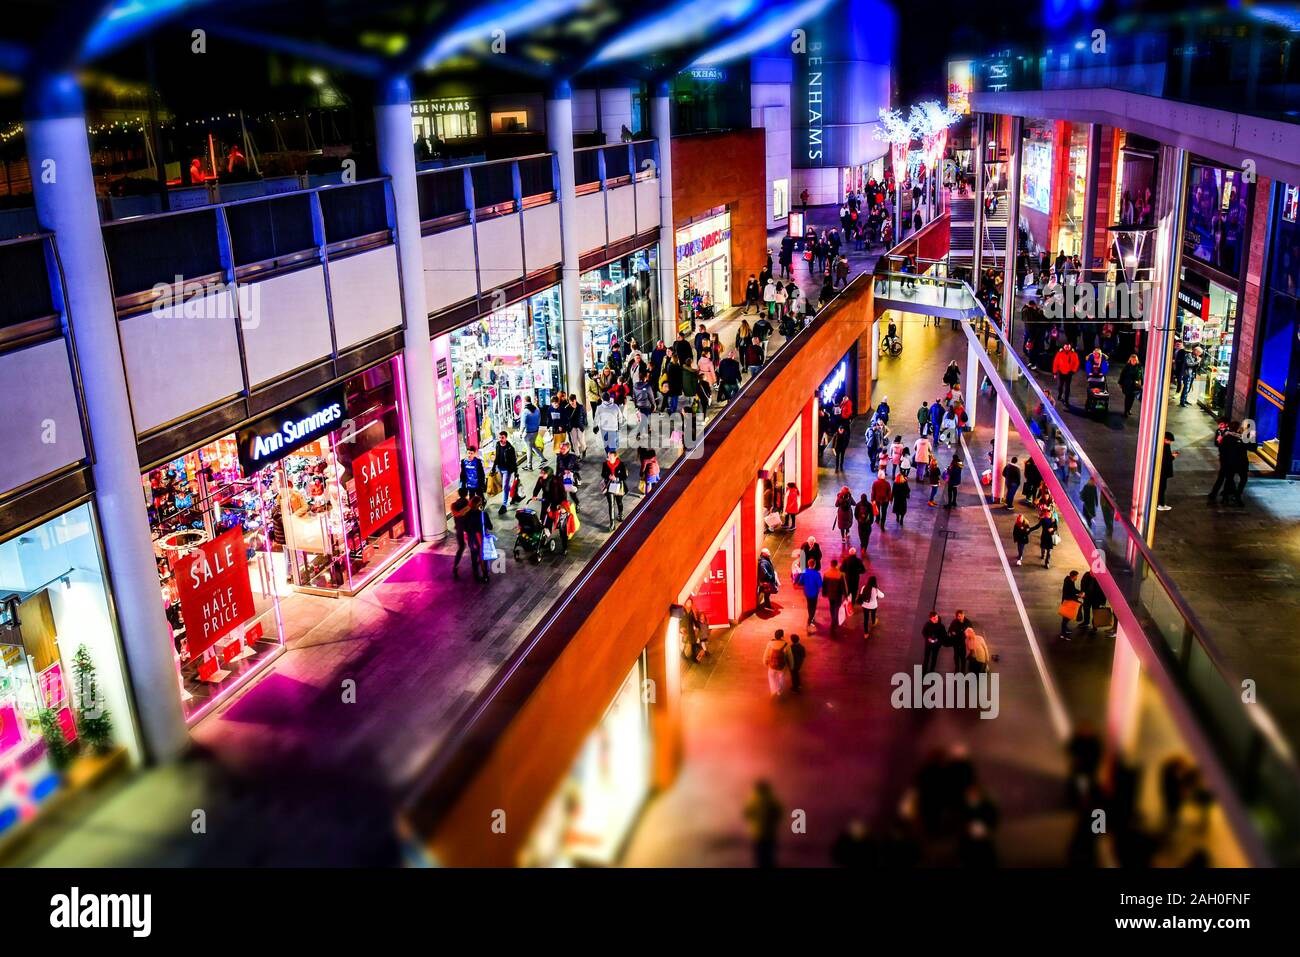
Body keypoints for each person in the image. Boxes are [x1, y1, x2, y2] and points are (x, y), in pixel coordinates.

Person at [744, 779, 783, 867]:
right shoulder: (772, 800)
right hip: (770, 833)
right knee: (769, 855)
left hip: (757, 833)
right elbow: (779, 813)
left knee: (759, 857)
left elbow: (747, 814)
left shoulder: (753, 801)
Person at [491, 432, 521, 515]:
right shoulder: (497, 445)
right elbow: (497, 457)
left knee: (504, 486)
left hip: (507, 470)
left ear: (506, 438)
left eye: (502, 437)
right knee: (506, 485)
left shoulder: (510, 448)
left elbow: (513, 461)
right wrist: (494, 467)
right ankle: (514, 494)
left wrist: (516, 472)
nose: (500, 439)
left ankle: (504, 505)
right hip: (500, 468)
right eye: (499, 437)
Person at [600, 450, 628, 527]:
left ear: (615, 457)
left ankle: (620, 513)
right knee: (611, 504)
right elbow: (603, 474)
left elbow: (625, 476)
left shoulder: (621, 464)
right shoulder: (605, 464)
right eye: (608, 456)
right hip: (609, 486)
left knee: (619, 502)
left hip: (619, 486)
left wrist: (616, 478)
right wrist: (608, 476)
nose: (609, 458)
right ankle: (612, 523)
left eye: (610, 457)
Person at [822, 559, 847, 637]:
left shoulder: (826, 573)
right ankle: (833, 622)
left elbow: (824, 585)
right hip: (838, 595)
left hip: (830, 594)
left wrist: (824, 593)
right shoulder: (840, 574)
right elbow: (843, 586)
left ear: (830, 564)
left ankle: (833, 618)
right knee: (837, 607)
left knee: (832, 606)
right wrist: (845, 595)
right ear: (836, 565)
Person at [1157, 431, 1178, 511]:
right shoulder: (1165, 446)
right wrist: (1173, 456)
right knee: (1162, 488)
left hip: (1161, 471)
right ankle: (1161, 504)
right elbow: (1166, 459)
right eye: (1169, 440)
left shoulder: (1163, 445)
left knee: (1161, 488)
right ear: (1165, 439)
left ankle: (1160, 503)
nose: (1170, 442)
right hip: (1163, 471)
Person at [801, 557, 823, 629]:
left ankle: (810, 616)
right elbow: (820, 584)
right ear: (814, 565)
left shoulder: (804, 571)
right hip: (814, 592)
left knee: (809, 604)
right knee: (813, 605)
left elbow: (801, 581)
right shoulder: (817, 574)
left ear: (808, 564)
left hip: (807, 592)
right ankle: (811, 618)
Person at [1060, 570, 1081, 639]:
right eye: (1076, 576)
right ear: (1074, 576)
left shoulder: (1070, 581)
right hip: (1067, 603)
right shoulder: (1069, 583)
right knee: (1065, 619)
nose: (1077, 577)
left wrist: (1080, 592)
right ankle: (1063, 634)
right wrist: (1078, 596)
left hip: (1068, 602)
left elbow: (1073, 590)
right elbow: (1068, 595)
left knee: (1067, 618)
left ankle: (1065, 630)